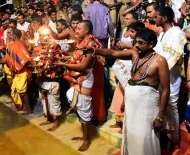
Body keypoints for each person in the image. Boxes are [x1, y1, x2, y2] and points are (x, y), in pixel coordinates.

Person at [90, 28, 170, 155]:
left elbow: (166, 90)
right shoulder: (134, 54)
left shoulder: (160, 61)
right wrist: (95, 50)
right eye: (136, 42)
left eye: (141, 43)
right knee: (131, 134)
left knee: (145, 138)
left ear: (151, 45)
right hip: (132, 106)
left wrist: (160, 116)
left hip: (147, 107)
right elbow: (112, 53)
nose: (137, 45)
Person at [55, 20, 103, 151]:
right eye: (76, 28)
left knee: (83, 107)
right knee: (77, 104)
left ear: (86, 31)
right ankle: (84, 135)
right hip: (77, 77)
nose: (75, 31)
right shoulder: (80, 42)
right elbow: (76, 56)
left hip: (85, 78)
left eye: (79, 29)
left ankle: (87, 139)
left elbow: (83, 66)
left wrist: (63, 65)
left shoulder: (90, 43)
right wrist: (65, 56)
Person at [154, 6, 187, 143]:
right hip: (160, 74)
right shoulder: (162, 33)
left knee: (171, 104)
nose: (153, 19)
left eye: (156, 16)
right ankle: (165, 132)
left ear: (165, 18)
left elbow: (178, 59)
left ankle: (174, 137)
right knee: (162, 103)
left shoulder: (176, 33)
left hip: (172, 76)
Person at [31, 30, 62, 131]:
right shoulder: (36, 48)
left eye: (44, 35)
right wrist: (35, 63)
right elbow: (32, 61)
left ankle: (56, 121)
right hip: (41, 77)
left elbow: (59, 61)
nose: (42, 37)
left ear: (48, 36)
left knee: (54, 100)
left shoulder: (55, 46)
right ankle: (49, 118)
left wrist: (50, 67)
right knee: (44, 100)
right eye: (40, 36)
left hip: (51, 77)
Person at [0, 28, 31, 114]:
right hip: (16, 71)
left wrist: (17, 66)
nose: (10, 35)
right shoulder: (11, 45)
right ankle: (24, 107)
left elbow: (26, 58)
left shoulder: (19, 44)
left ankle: (29, 109)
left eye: (11, 34)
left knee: (23, 91)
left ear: (15, 35)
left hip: (21, 71)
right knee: (17, 90)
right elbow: (8, 59)